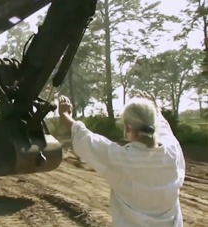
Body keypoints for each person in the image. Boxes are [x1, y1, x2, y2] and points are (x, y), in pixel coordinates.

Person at [58, 91, 186, 227]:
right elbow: (165, 130)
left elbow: (86, 138)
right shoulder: (173, 151)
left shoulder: (119, 159)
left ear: (128, 127)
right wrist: (156, 109)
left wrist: (65, 115)